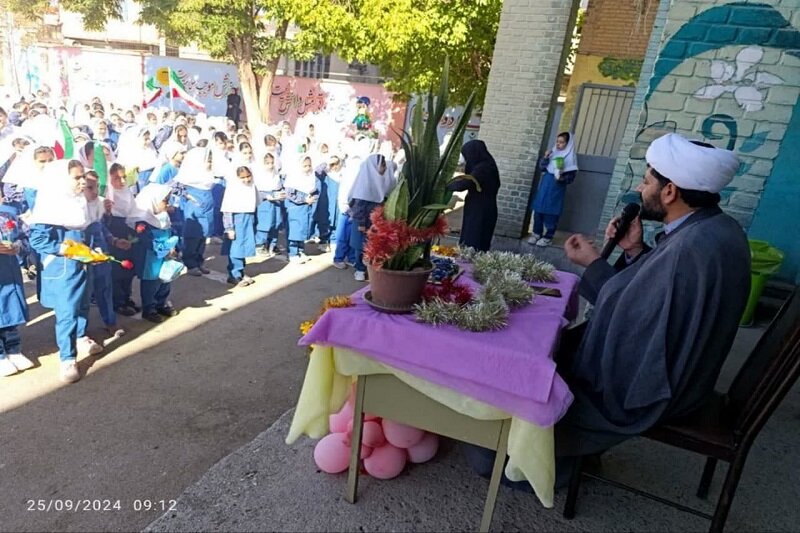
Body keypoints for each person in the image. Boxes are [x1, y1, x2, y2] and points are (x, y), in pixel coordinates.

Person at [465, 133, 751, 489]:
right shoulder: (715, 228)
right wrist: (634, 251)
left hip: (652, 388)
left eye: (647, 181)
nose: (640, 188)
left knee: (489, 443)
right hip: (688, 375)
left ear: (670, 192)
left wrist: (595, 264)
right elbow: (659, 296)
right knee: (552, 348)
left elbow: (633, 313)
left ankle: (558, 466)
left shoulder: (690, 251)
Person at [28, 160, 103, 384]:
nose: (82, 181)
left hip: (82, 261)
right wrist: (65, 249)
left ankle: (81, 336)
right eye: (77, 177)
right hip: (63, 266)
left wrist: (93, 249)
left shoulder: (80, 200)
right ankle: (67, 357)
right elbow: (38, 239)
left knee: (82, 303)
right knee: (67, 310)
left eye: (83, 177)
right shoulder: (50, 203)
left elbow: (88, 228)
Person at [129, 183, 180, 324]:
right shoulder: (142, 220)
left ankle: (161, 303)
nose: (167, 204)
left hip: (165, 255)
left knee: (165, 280)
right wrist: (163, 248)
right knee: (151, 283)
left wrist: (173, 247)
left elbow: (171, 232)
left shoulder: (163, 217)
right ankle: (149, 308)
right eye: (164, 200)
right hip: (150, 258)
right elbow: (146, 240)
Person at [83, 171, 125, 338]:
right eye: (90, 187)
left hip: (101, 254)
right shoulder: (72, 208)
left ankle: (110, 322)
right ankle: (81, 332)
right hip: (83, 255)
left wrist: (113, 240)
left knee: (105, 288)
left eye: (97, 187)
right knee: (84, 293)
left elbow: (101, 228)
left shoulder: (98, 204)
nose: (95, 192)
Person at [347, 153, 396, 281]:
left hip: (377, 222)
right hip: (363, 222)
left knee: (374, 246)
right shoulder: (365, 182)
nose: (385, 168)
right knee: (361, 246)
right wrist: (362, 224)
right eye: (382, 165)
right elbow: (359, 207)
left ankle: (370, 270)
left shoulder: (381, 179)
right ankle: (360, 270)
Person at [447, 140, 500, 252]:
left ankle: (468, 267)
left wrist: (446, 186)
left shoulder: (483, 168)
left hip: (480, 209)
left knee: (473, 240)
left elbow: (468, 182)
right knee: (478, 240)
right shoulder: (488, 164)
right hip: (483, 207)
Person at [0, 201, 33, 377]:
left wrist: (17, 247)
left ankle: (14, 349)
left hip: (10, 271)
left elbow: (25, 236)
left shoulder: (8, 214)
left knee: (11, 310)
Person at [528, 132, 579, 247]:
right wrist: (546, 157)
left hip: (556, 188)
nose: (558, 144)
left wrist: (561, 178)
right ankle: (536, 233)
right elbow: (542, 168)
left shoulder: (570, 158)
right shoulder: (553, 153)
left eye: (562, 142)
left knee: (551, 212)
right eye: (557, 141)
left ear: (568, 143)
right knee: (538, 210)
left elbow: (570, 178)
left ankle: (548, 236)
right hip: (545, 184)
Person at [104, 163, 139, 316]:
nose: (122, 181)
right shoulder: (106, 196)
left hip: (128, 229)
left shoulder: (127, 193)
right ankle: (117, 301)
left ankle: (127, 297)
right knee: (117, 268)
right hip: (114, 230)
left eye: (124, 177)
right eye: (117, 178)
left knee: (129, 266)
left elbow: (133, 210)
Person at [175, 147, 215, 277]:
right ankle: (190, 263)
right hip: (195, 209)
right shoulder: (188, 177)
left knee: (202, 236)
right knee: (192, 237)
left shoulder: (207, 176)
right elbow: (175, 189)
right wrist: (190, 198)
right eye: (207, 160)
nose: (210, 163)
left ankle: (199, 261)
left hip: (206, 209)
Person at [221, 166, 259, 286]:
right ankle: (234, 274)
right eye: (242, 178)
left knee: (244, 247)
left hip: (248, 219)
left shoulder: (252, 187)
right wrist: (229, 228)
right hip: (237, 221)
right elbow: (227, 210)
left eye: (248, 176)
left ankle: (241, 271)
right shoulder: (233, 189)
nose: (246, 180)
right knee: (236, 248)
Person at [284, 155, 318, 263]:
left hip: (305, 207)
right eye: (304, 166)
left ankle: (301, 250)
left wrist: (312, 198)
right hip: (295, 207)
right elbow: (290, 194)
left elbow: (314, 190)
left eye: (309, 165)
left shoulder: (310, 177)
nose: (307, 168)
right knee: (295, 230)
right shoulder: (293, 177)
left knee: (303, 229)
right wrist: (303, 199)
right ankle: (293, 253)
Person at [253, 153, 285, 257]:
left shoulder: (275, 174)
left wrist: (281, 193)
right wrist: (266, 196)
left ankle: (272, 244)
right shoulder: (259, 175)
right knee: (264, 224)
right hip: (264, 202)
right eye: (267, 163)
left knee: (276, 223)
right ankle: (260, 245)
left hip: (276, 201)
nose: (270, 165)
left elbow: (279, 186)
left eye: (272, 163)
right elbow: (256, 190)